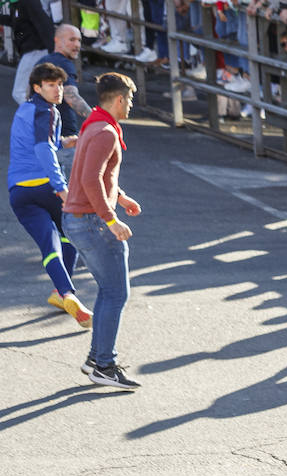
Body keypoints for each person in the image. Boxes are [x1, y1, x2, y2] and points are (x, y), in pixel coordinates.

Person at [63, 72, 143, 390]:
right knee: (116, 293)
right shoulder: (106, 132)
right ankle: (105, 366)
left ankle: (97, 360)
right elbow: (89, 179)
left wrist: (120, 197)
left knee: (108, 292)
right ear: (120, 99)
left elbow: (96, 173)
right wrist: (112, 219)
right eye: (131, 99)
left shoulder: (95, 124)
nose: (131, 105)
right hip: (92, 222)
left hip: (82, 219)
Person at [9, 61, 88, 328]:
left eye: (60, 85)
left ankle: (64, 293)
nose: (58, 90)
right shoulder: (49, 111)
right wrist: (61, 188)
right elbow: (43, 150)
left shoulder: (25, 110)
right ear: (36, 87)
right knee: (71, 233)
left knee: (48, 245)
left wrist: (64, 141)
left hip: (18, 192)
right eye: (51, 85)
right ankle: (62, 293)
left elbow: (41, 143)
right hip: (45, 186)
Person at [37, 24, 92, 145]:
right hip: (64, 135)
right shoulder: (64, 63)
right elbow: (71, 96)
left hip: (41, 135)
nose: (77, 45)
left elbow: (28, 95)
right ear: (57, 40)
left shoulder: (41, 62)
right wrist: (97, 118)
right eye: (72, 40)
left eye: (79, 40)